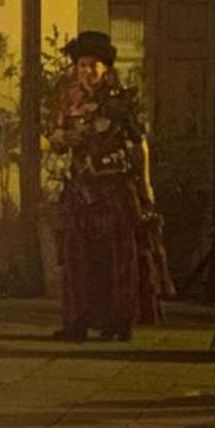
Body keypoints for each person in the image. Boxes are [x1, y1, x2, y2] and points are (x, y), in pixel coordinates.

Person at [47, 32, 167, 343]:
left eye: (93, 65)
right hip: (80, 188)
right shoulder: (67, 100)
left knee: (118, 257)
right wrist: (61, 139)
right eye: (81, 65)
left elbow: (139, 143)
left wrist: (146, 186)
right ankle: (77, 321)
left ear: (105, 68)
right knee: (77, 257)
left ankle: (118, 322)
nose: (86, 71)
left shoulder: (122, 100)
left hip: (114, 187)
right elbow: (55, 138)